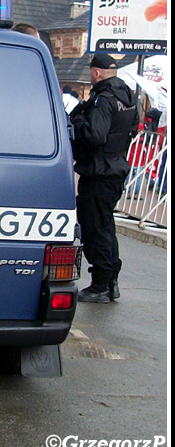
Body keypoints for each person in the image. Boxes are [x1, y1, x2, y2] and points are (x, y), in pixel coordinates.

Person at [70, 54, 139, 304]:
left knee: (95, 228)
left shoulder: (103, 99)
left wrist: (76, 122)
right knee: (106, 227)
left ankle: (101, 283)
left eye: (90, 72)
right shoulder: (128, 96)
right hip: (115, 168)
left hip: (99, 172)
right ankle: (110, 282)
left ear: (96, 73)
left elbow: (94, 134)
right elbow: (134, 127)